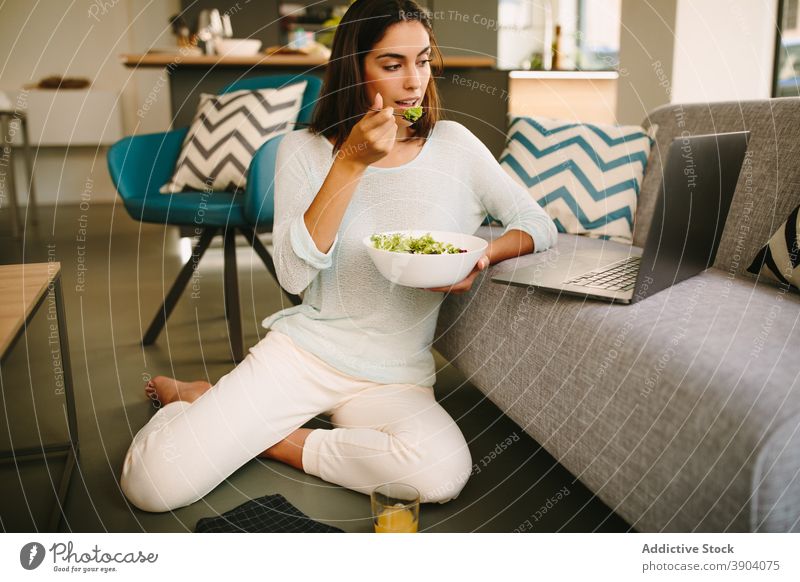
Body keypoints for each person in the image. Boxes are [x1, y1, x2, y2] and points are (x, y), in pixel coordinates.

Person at [120, 0, 557, 513]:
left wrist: (480, 257)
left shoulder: (456, 147)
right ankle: (196, 407)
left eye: (423, 60)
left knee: (438, 474)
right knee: (150, 486)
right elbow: (293, 274)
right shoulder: (300, 152)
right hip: (305, 356)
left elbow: (536, 224)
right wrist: (349, 164)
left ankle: (230, 415)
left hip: (396, 374)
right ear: (354, 67)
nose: (414, 82)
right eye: (393, 65)